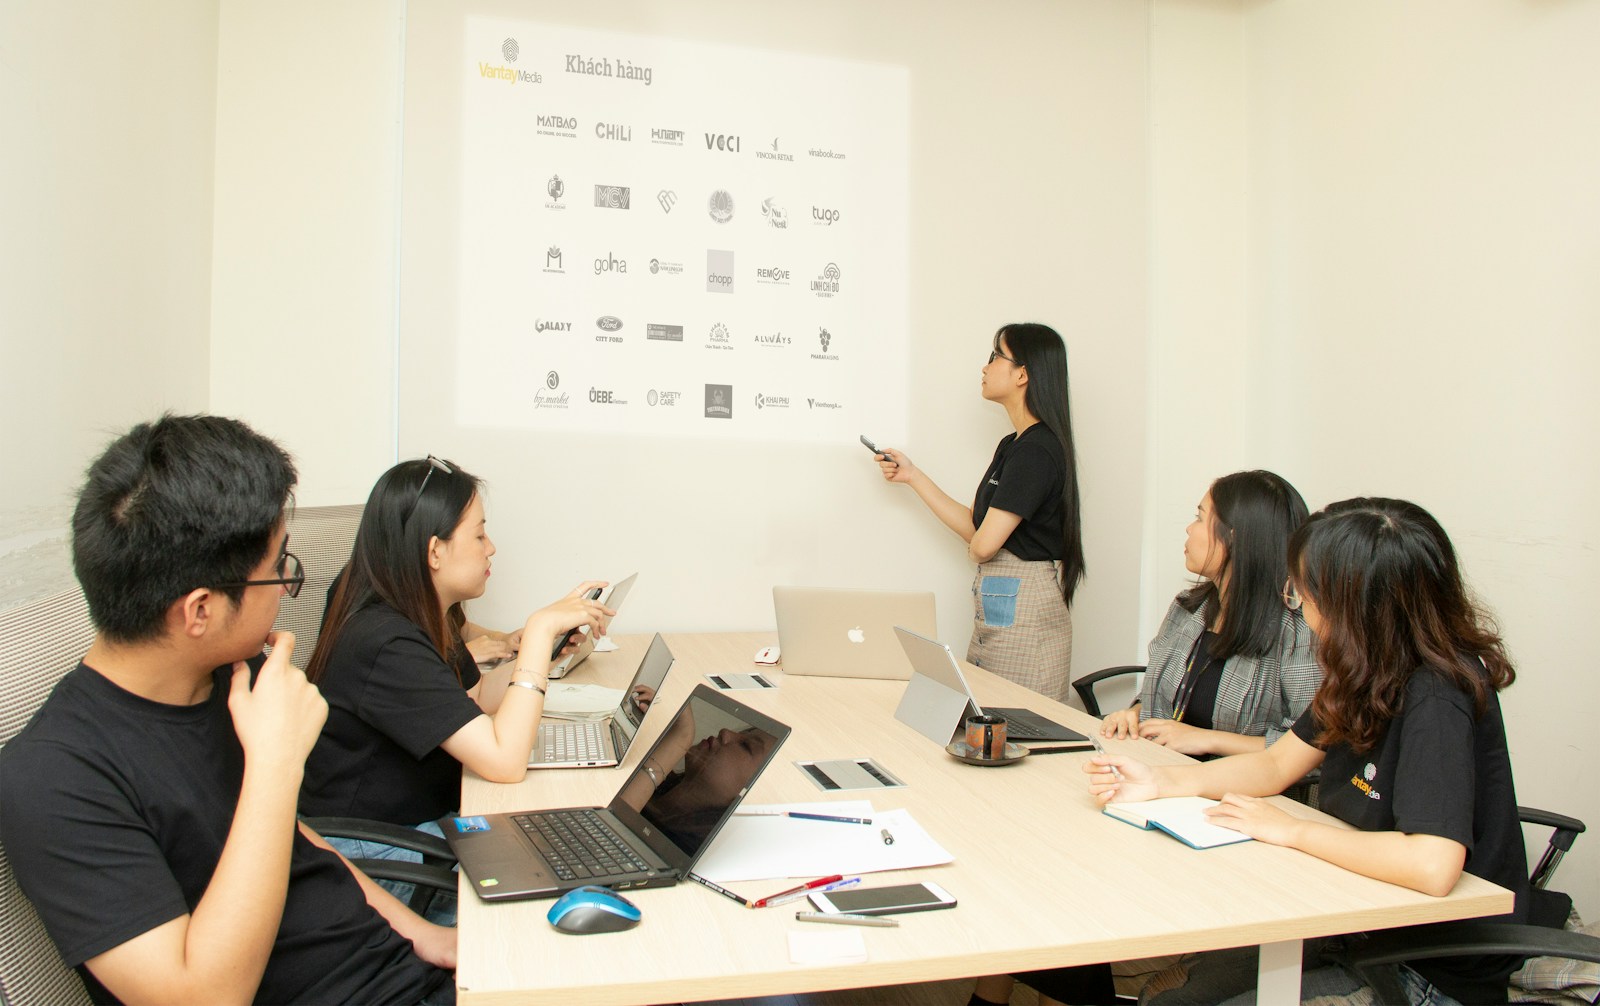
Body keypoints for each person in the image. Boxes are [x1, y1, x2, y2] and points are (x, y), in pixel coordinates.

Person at [0, 415, 455, 1004]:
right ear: (200, 611)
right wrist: (276, 764)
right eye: (276, 571)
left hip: (403, 973)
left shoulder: (233, 680)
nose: (286, 586)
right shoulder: (53, 779)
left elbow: (296, 843)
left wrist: (426, 936)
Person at [1070, 498, 1528, 1006]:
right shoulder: (1365, 667)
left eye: (1304, 592)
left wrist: (1291, 830)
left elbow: (1432, 864)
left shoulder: (1437, 695)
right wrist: (1161, 783)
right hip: (1351, 919)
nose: (1299, 606)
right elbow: (1275, 763)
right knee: (1173, 1000)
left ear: (1356, 606)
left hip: (1422, 968)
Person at [299, 456, 613, 848]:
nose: (492, 548)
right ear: (435, 551)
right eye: (480, 536)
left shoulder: (422, 607)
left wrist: (542, 653)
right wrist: (537, 631)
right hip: (377, 846)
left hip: (419, 818)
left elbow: (476, 697)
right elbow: (505, 761)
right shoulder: (385, 641)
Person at [873, 322, 1085, 701]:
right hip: (1002, 600)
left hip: (1025, 607)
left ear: (1023, 373)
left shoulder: (1037, 450)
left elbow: (983, 546)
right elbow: (977, 528)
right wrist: (913, 476)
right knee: (988, 719)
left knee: (1017, 723)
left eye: (994, 356)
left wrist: (979, 547)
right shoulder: (1013, 445)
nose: (985, 368)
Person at [1100, 470, 1319, 757]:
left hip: (1243, 793)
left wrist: (1206, 739)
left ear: (1234, 538)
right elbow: (1167, 696)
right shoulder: (1188, 608)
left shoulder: (1299, 633)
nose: (1189, 529)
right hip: (1160, 770)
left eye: (1200, 518)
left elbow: (1313, 749)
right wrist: (1137, 714)